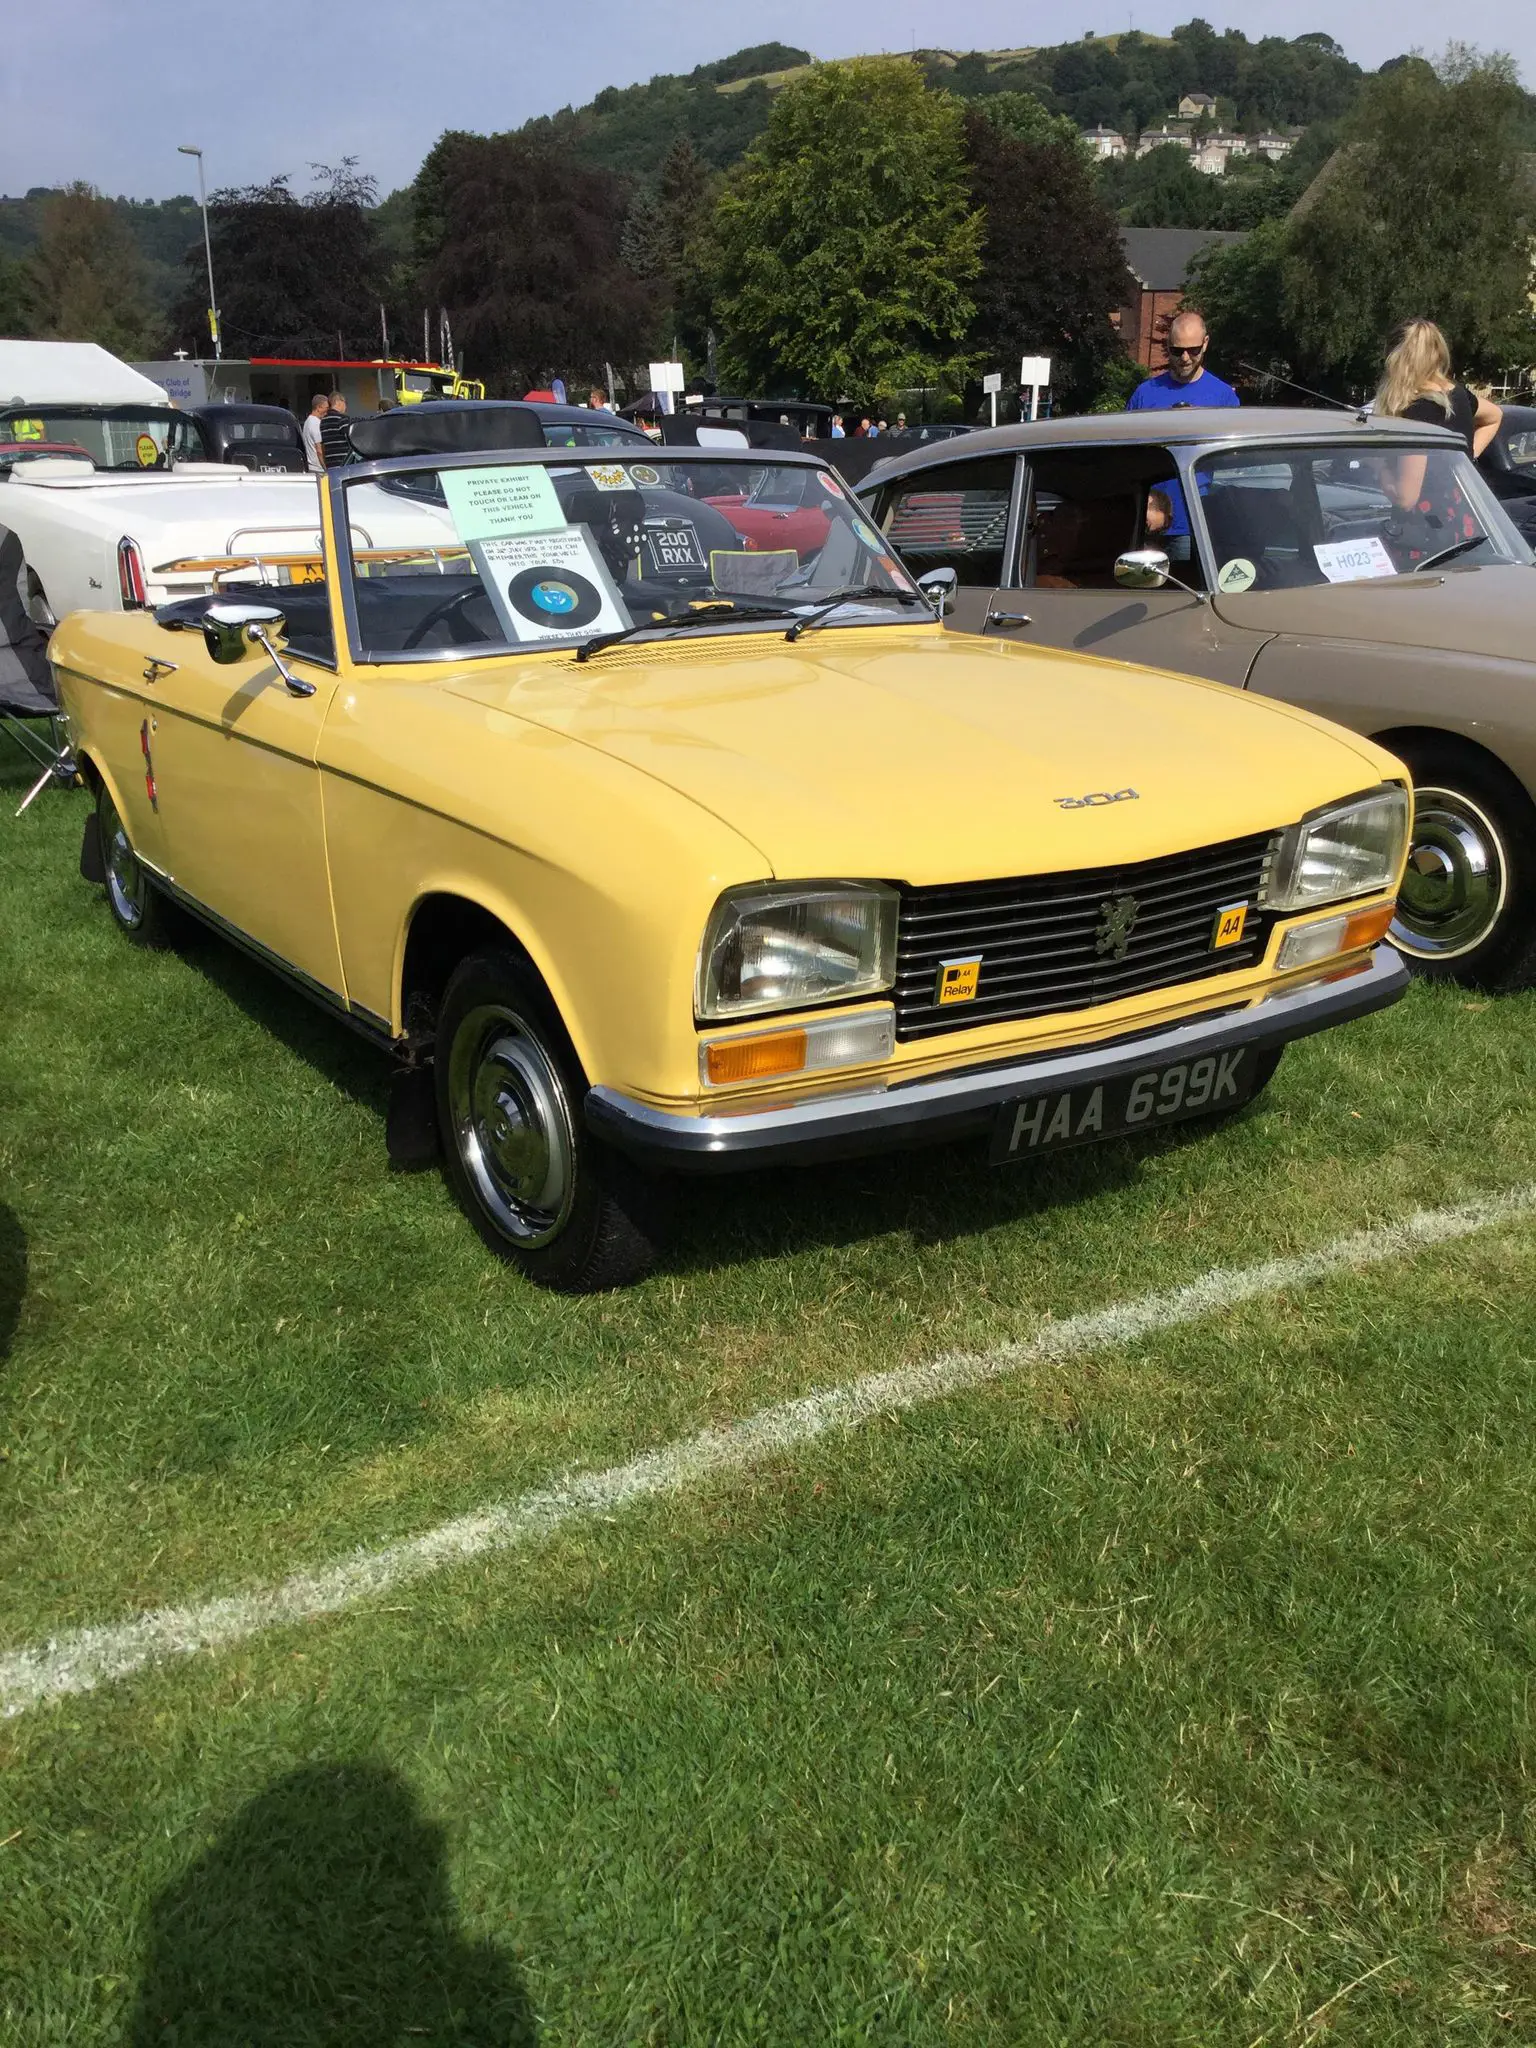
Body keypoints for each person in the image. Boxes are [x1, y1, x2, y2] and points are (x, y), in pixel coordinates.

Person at [1372, 317, 1504, 543]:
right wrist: (1467, 457)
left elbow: (1406, 498)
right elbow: (1495, 416)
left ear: (1395, 358)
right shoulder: (1458, 395)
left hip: (1423, 535)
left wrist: (1377, 466)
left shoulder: (1417, 410)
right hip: (1464, 523)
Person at [1128, 311, 1240, 413]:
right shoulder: (1144, 394)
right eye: (1177, 351)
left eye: (1193, 350)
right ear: (1168, 345)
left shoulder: (1224, 397)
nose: (1185, 358)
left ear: (1205, 343)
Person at [319, 392, 350, 469]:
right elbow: (351, 440)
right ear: (338, 402)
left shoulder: (323, 421)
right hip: (344, 463)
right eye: (344, 402)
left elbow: (322, 445)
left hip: (330, 464)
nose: (345, 406)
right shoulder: (342, 418)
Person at [302, 392, 328, 473]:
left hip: (310, 466)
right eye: (326, 408)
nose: (327, 412)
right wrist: (325, 469)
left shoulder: (307, 422)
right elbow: (319, 450)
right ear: (319, 407)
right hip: (318, 469)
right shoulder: (316, 423)